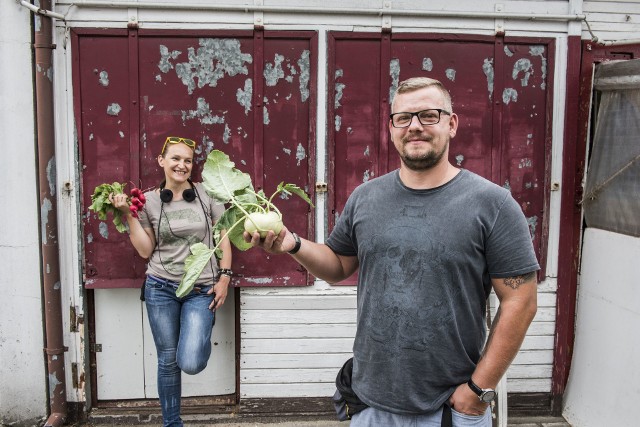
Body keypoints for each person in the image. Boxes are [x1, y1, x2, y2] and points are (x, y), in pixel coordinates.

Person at [245, 77, 538, 426]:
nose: (415, 126)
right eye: (404, 118)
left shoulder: (492, 205)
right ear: (391, 127)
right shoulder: (366, 198)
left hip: (449, 405)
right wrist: (290, 243)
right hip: (370, 403)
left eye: (429, 115)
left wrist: (478, 390)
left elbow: (520, 301)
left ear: (452, 123)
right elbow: (337, 265)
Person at [111, 136, 232, 427]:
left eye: (188, 160)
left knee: (189, 361)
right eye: (175, 158)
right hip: (161, 287)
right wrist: (129, 216)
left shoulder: (206, 194)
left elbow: (224, 236)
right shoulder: (150, 201)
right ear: (162, 161)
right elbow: (144, 250)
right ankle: (171, 423)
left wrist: (225, 276)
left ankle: (199, 331)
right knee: (167, 360)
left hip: (202, 288)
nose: (182, 165)